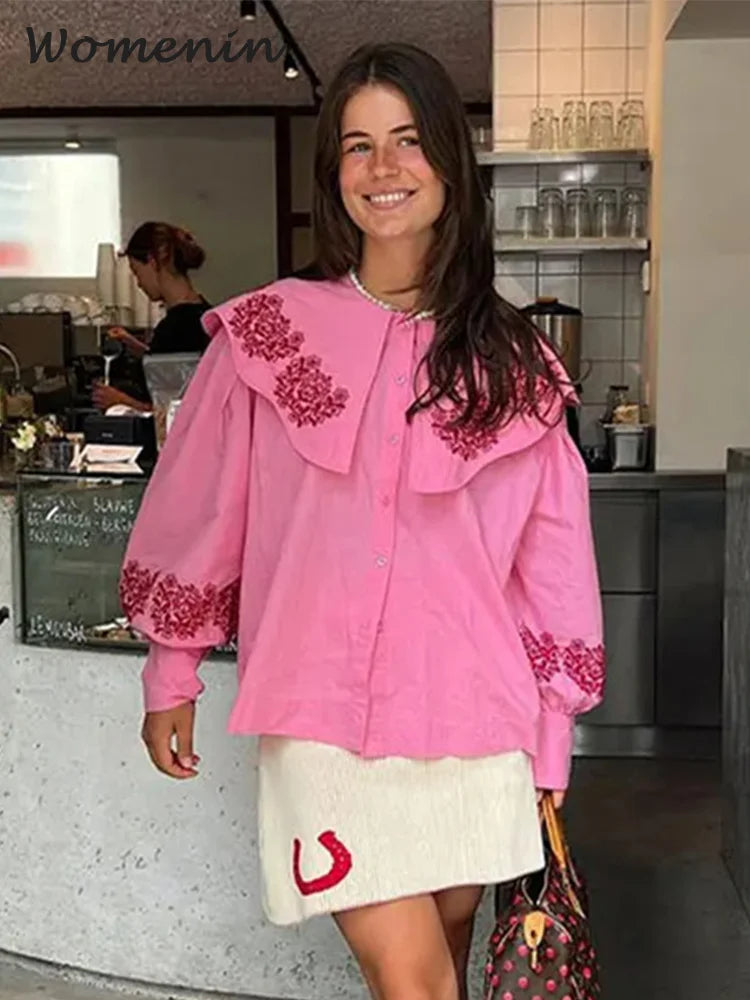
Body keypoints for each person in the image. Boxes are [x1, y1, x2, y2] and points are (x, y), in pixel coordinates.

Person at [118, 43, 605, 1000]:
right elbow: (202, 508)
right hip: (320, 713)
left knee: (441, 966)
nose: (384, 167)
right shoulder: (268, 334)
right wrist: (171, 665)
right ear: (332, 171)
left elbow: (551, 565)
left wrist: (553, 730)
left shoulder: (516, 364)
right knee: (415, 981)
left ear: (451, 162)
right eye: (357, 145)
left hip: (473, 716)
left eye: (409, 140)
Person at [92, 222, 211, 413]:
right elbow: (177, 368)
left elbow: (173, 413)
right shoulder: (205, 315)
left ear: (152, 261)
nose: (139, 283)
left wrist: (120, 402)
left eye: (136, 272)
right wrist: (140, 348)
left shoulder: (175, 329)